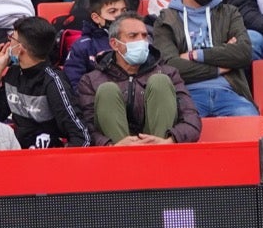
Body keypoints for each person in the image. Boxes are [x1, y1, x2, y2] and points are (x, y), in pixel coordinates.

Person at [150, 0, 257, 117]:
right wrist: (220, 67)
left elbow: (243, 53)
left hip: (230, 93)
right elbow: (169, 67)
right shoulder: (166, 19)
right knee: (180, 128)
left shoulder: (229, 12)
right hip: (186, 95)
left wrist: (194, 55)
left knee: (250, 123)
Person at [75, 12, 201, 145]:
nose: (141, 40)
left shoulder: (169, 73)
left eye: (144, 36)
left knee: (160, 81)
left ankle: (158, 154)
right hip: (116, 154)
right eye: (133, 36)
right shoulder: (91, 80)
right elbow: (86, 126)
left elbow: (191, 119)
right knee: (107, 90)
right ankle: (124, 159)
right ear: (114, 44)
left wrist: (170, 141)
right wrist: (110, 145)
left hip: (161, 151)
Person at [0, 17, 91, 148]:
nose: (9, 41)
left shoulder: (54, 82)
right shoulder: (13, 74)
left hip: (48, 157)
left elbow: (82, 136)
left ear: (20, 48)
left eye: (12, 38)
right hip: (18, 152)